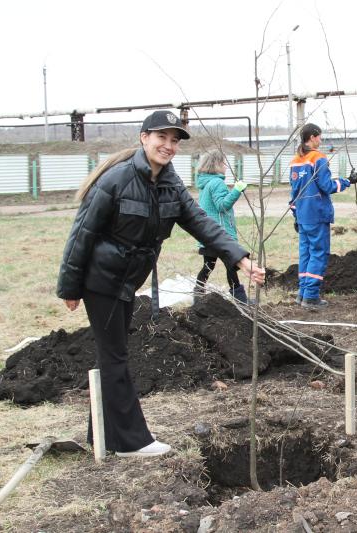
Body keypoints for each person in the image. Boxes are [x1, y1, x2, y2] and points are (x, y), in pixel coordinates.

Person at [57, 110, 266, 458]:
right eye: (161, 138)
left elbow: (201, 223)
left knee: (113, 354)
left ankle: (104, 436)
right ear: (144, 138)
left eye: (174, 140)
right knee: (115, 356)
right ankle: (131, 442)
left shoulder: (170, 184)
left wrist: (241, 259)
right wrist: (70, 287)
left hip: (126, 280)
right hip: (102, 280)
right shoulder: (117, 180)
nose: (168, 145)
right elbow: (83, 232)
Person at [289, 123, 355, 311]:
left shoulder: (295, 161)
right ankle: (310, 297)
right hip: (317, 213)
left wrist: (295, 213)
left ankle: (302, 293)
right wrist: (347, 181)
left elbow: (293, 191)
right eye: (320, 136)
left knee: (306, 253)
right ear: (312, 137)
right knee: (319, 253)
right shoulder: (318, 158)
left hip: (302, 215)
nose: (321, 140)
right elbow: (327, 186)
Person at [194, 149, 251, 303]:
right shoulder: (217, 182)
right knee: (231, 266)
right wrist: (237, 190)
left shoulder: (205, 183)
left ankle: (197, 297)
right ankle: (241, 300)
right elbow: (222, 205)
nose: (226, 166)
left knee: (208, 266)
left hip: (208, 233)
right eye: (224, 162)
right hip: (220, 234)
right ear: (217, 164)